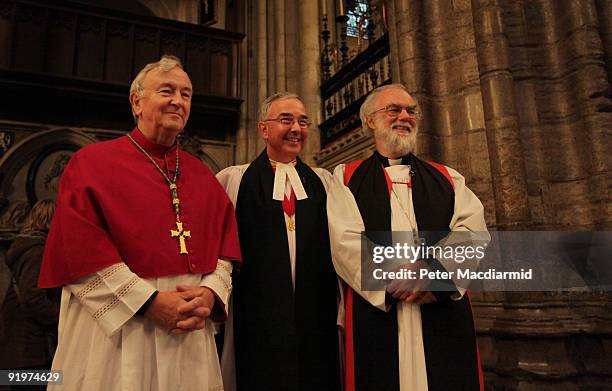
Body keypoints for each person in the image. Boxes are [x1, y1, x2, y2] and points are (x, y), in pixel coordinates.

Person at [38, 55, 241, 391]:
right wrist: (148, 303)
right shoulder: (91, 163)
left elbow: (225, 248)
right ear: (136, 101)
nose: (178, 100)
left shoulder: (203, 175)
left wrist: (209, 293)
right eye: (167, 91)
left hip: (188, 329)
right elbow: (78, 248)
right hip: (120, 329)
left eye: (187, 94)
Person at [327, 84, 489, 391]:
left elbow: (473, 232)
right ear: (370, 121)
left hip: (438, 305)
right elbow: (344, 241)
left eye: (411, 110)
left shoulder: (448, 178)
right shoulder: (346, 177)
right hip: (379, 309)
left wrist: (433, 273)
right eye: (394, 110)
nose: (404, 116)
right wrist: (395, 281)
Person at [216, 92, 340, 391]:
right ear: (263, 129)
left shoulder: (323, 181)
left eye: (302, 121)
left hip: (315, 315)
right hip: (255, 316)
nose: (296, 128)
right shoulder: (234, 180)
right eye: (286, 119)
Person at [0, 200, 59, 384]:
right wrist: (64, 315)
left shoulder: (27, 249)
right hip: (29, 351)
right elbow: (33, 298)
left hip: (22, 349)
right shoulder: (36, 252)